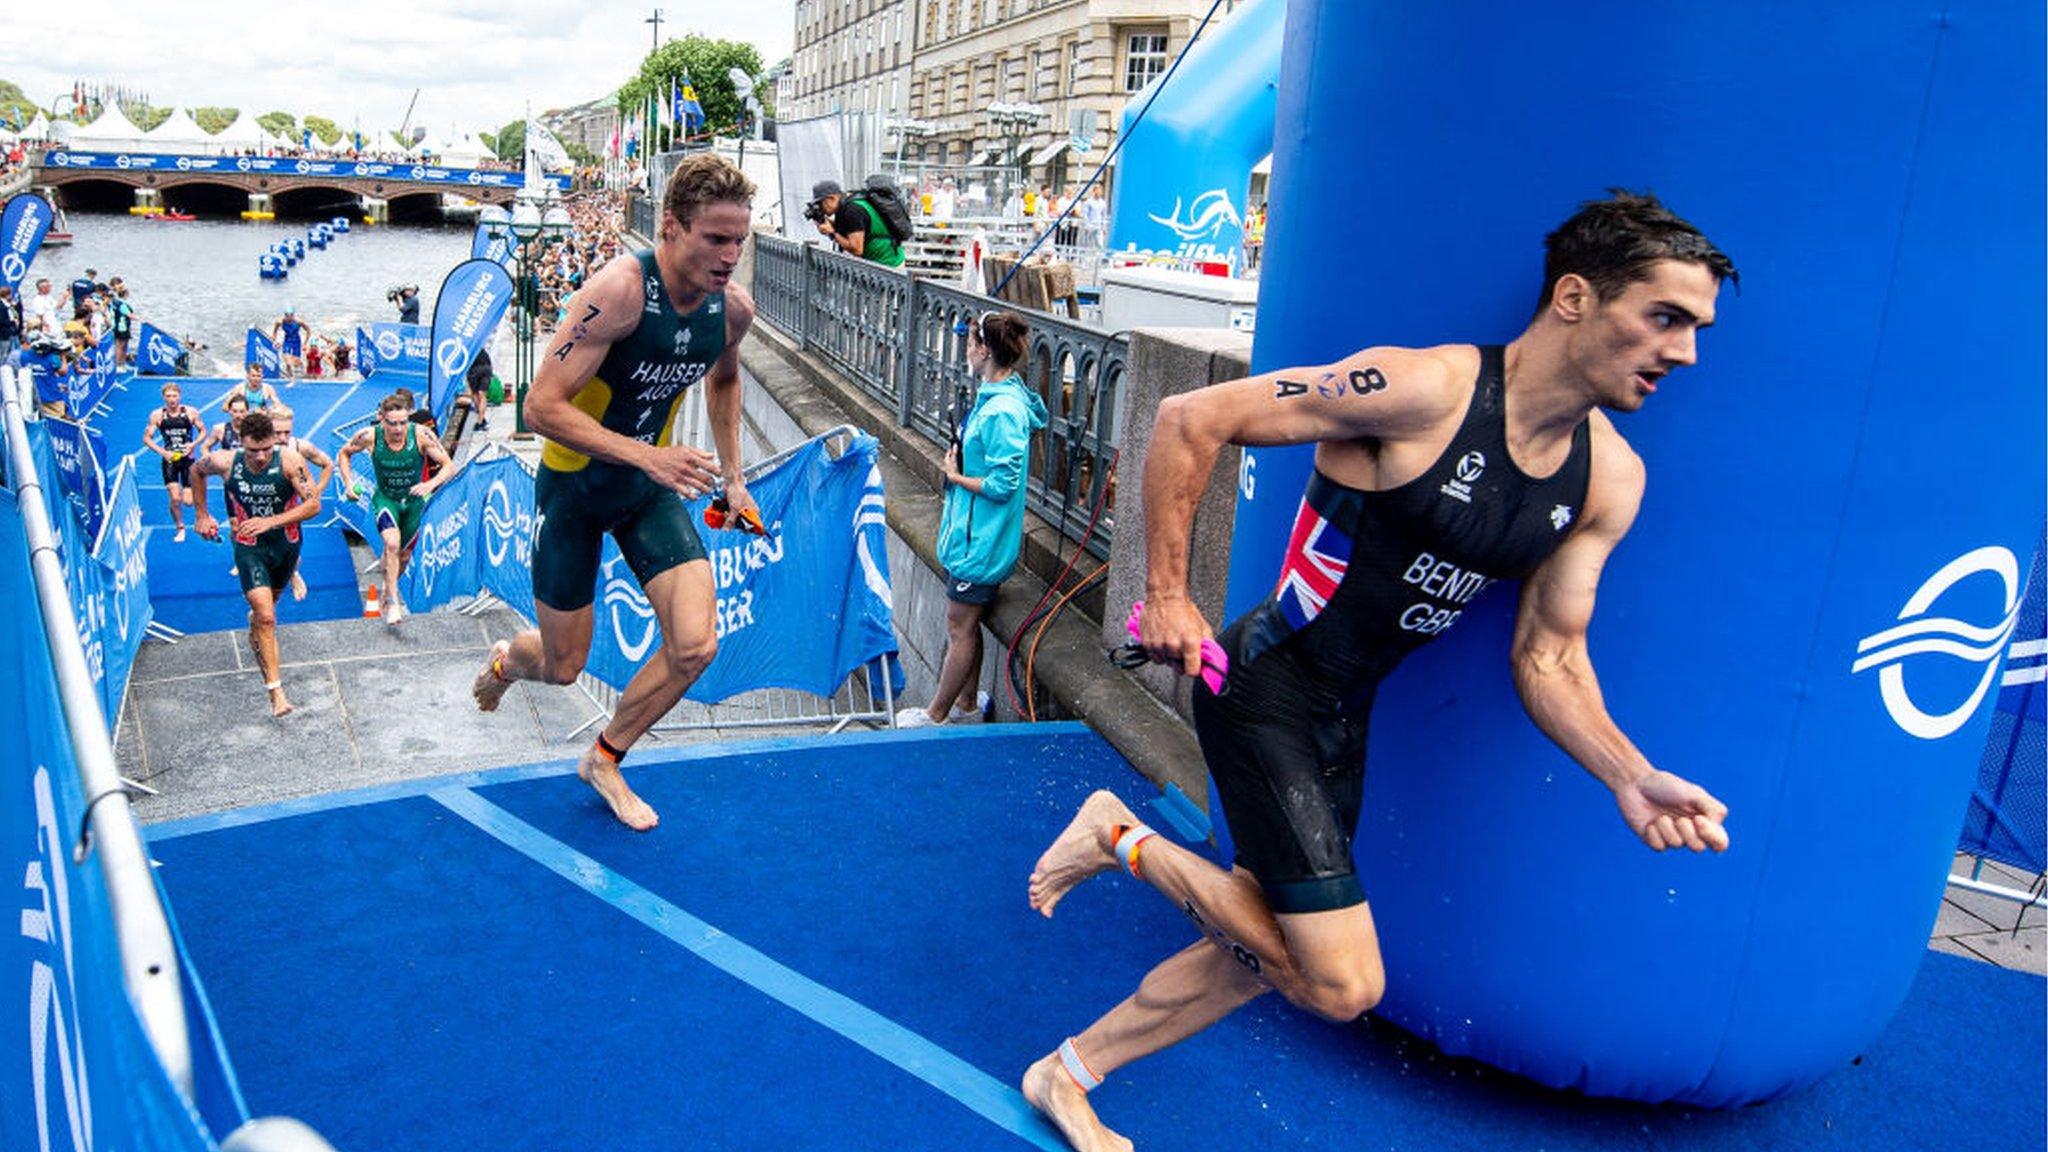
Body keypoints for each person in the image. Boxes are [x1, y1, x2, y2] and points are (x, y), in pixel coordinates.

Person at [1018, 190, 1739, 1152]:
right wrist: (1171, 595)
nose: (1684, 353)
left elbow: (1549, 656)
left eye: (1695, 329)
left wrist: (1629, 774)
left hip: (1345, 715)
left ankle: (1066, 1076)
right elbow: (1192, 416)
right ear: (1575, 297)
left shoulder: (1609, 480)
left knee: (1252, 950)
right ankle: (1117, 836)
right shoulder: (1423, 392)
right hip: (1261, 685)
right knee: (1341, 982)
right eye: (1666, 318)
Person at [471, 153, 759, 832]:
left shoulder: (731, 312)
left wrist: (735, 475)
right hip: (574, 487)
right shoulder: (622, 292)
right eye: (716, 239)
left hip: (644, 487)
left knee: (695, 645)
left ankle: (605, 759)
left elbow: (723, 380)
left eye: (740, 240)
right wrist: (649, 457)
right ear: (670, 228)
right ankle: (509, 660)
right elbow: (539, 407)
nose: (729, 256)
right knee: (563, 664)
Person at [894, 310, 1045, 728]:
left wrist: (957, 476)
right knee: (966, 624)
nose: (964, 348)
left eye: (969, 341)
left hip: (980, 542)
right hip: (973, 536)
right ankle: (967, 707)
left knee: (958, 626)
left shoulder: (1002, 411)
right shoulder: (999, 397)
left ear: (983, 350)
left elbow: (1002, 484)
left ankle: (936, 715)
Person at [190, 410, 322, 718]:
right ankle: (276, 692)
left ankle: (258, 626)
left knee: (269, 610)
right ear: (241, 444)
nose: (261, 457)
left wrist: (270, 522)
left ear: (275, 441)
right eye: (253, 450)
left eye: (266, 449)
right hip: (249, 546)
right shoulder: (225, 461)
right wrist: (201, 515)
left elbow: (314, 504)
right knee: (266, 617)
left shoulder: (289, 460)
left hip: (286, 544)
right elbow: (196, 470)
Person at [337, 394, 453, 625]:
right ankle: (393, 602)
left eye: (402, 423)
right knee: (392, 545)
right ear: (382, 420)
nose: (398, 429)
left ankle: (386, 589)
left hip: (413, 503)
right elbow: (344, 453)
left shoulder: (420, 434)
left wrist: (429, 484)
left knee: (404, 556)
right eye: (392, 423)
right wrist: (348, 483)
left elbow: (449, 465)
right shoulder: (369, 436)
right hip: (386, 500)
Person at [270, 404, 337, 603]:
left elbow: (328, 464)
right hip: (262, 509)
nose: (282, 438)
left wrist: (317, 492)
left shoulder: (300, 447)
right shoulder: (258, 449)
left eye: (286, 432)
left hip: (290, 511)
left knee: (292, 555)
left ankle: (291, 574)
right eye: (277, 433)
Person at [143, 382, 208, 542]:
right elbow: (146, 438)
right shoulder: (157, 415)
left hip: (188, 460)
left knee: (188, 501)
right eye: (168, 396)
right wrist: (163, 452)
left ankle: (197, 515)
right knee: (175, 498)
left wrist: (193, 444)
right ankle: (180, 527)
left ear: (180, 396)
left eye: (174, 396)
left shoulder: (190, 412)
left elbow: (203, 431)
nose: (172, 400)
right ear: (163, 397)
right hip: (170, 461)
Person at [811, 178, 906, 269]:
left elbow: (857, 249)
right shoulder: (851, 201)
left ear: (831, 198)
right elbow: (855, 228)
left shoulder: (852, 210)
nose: (820, 207)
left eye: (820, 203)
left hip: (888, 265)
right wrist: (831, 225)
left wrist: (832, 233)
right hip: (881, 262)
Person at [273, 307, 307, 380]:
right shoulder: (280, 322)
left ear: (293, 315)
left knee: (295, 363)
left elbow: (308, 331)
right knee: (288, 362)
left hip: (297, 341)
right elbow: (274, 332)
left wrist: (305, 343)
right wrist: (275, 341)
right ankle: (290, 377)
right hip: (287, 341)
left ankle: (300, 365)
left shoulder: (299, 322)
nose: (289, 317)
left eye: (290, 315)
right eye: (286, 315)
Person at [465, 346, 494, 432]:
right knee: (482, 395)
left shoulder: (467, 347)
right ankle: (481, 420)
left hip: (474, 370)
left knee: (475, 395)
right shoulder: (478, 345)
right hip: (486, 368)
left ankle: (481, 421)